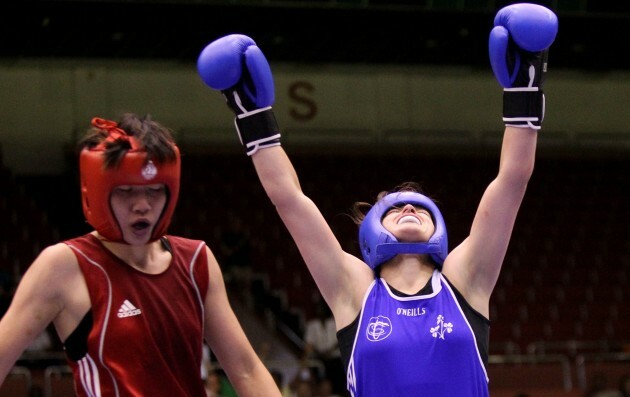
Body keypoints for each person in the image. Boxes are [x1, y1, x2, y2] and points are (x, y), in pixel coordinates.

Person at [197, 3, 557, 396]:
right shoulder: (354, 290)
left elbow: (512, 181)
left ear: (438, 227)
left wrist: (524, 89)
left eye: (421, 207)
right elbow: (289, 199)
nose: (409, 208)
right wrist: (252, 113)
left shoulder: (464, 279)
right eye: (396, 207)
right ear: (372, 231)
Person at [0, 114, 282, 396]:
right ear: (98, 192)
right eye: (126, 191)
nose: (142, 205)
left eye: (154, 191)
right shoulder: (65, 266)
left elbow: (247, 370)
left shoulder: (196, 261)